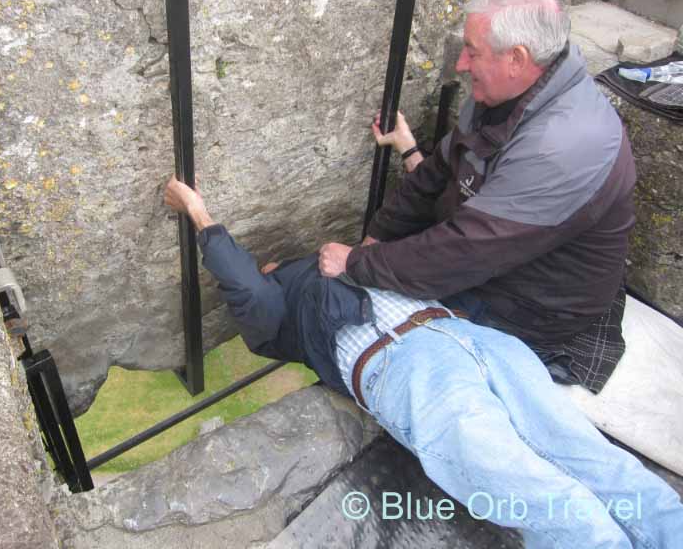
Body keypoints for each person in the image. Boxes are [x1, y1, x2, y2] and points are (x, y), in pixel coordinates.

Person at [164, 176, 683, 548]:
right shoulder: (281, 317)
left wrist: (409, 148)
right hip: (406, 364)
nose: (268, 266)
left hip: (473, 338)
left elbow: (440, 236)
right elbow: (246, 289)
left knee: (586, 452)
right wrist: (197, 212)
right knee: (531, 486)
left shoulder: (350, 264)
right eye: (266, 267)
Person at [320, 0, 635, 394]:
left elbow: (465, 251)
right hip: (490, 258)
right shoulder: (503, 97)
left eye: (472, 51)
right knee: (347, 289)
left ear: (516, 60)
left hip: (529, 305)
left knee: (353, 330)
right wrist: (377, 235)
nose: (461, 65)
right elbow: (437, 170)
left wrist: (358, 265)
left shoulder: (560, 147)